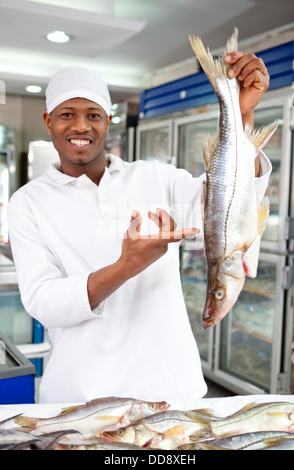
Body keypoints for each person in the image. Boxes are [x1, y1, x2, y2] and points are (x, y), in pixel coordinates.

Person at [7, 52, 271, 408]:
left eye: (94, 115)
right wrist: (125, 266)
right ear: (48, 121)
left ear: (108, 121)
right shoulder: (28, 203)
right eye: (67, 114)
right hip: (83, 399)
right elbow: (43, 302)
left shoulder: (157, 177)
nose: (81, 126)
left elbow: (227, 207)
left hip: (170, 389)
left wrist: (241, 117)